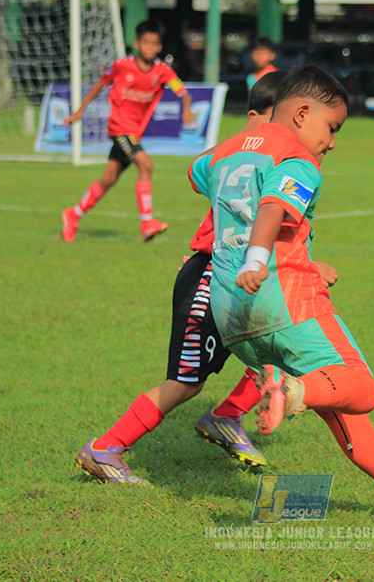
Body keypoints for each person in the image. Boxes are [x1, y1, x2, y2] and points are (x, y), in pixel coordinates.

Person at [188, 65, 374, 523]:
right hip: (284, 299)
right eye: (331, 128)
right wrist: (257, 258)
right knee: (360, 387)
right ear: (302, 113)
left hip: (231, 311)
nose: (331, 142)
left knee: (339, 410)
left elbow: (198, 174)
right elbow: (274, 204)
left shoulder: (222, 154)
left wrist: (249, 144)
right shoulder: (298, 161)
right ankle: (290, 391)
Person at [76, 71, 306, 485]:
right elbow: (205, 173)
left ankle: (227, 416)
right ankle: (106, 447)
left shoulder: (263, 164)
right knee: (185, 383)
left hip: (239, 277)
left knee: (283, 353)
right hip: (209, 277)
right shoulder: (257, 155)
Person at [61, 19, 196, 242]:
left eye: (154, 44)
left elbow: (183, 92)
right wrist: (80, 111)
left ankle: (73, 215)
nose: (150, 47)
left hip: (135, 131)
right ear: (137, 43)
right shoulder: (122, 66)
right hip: (120, 127)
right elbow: (100, 84)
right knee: (146, 165)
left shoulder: (163, 71)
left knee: (109, 179)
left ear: (160, 46)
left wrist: (187, 110)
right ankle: (147, 223)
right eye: (146, 43)